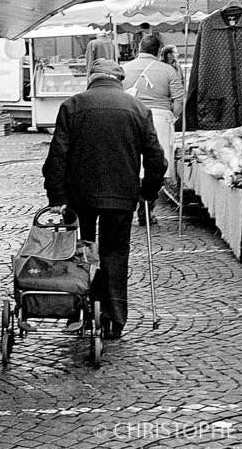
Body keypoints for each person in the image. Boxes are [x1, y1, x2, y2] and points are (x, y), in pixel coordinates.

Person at [42, 58, 166, 340]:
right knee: (114, 253)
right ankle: (112, 319)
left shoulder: (72, 105)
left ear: (91, 78)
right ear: (119, 80)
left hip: (80, 196)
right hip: (121, 196)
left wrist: (57, 195)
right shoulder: (138, 108)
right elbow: (156, 159)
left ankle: (80, 310)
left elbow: (57, 156)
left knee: (80, 252)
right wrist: (148, 191)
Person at [122, 35, 184, 225]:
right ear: (158, 51)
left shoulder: (124, 68)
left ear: (138, 48)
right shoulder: (168, 70)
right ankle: (147, 208)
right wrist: (172, 117)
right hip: (159, 119)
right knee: (156, 166)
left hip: (130, 117)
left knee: (131, 163)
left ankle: (129, 206)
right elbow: (179, 100)